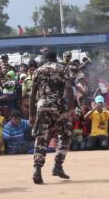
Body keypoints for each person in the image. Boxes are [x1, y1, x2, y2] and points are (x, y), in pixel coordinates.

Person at [29, 49, 75, 184]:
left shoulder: (38, 71)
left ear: (44, 59)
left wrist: (31, 114)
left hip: (42, 106)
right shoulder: (62, 68)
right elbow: (68, 88)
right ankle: (58, 165)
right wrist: (71, 108)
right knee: (65, 133)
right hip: (58, 105)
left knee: (41, 137)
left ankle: (37, 169)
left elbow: (32, 94)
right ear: (56, 58)